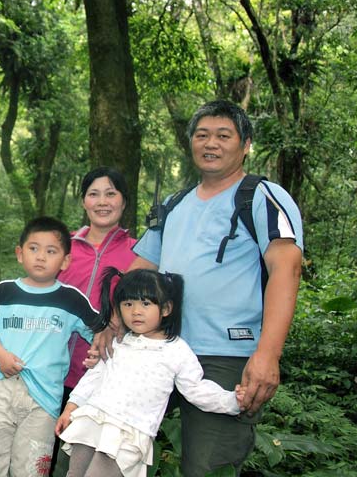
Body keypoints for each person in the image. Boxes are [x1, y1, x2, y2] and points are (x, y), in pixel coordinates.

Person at [100, 100, 303, 476]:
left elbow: (286, 269)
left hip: (225, 356)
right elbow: (141, 269)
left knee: (207, 466)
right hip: (156, 346)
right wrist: (113, 323)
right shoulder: (173, 205)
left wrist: (267, 354)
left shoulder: (260, 196)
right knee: (101, 443)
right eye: (202, 135)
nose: (211, 143)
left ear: (245, 144)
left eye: (224, 135)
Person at [58, 268, 244, 477]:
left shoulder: (177, 351)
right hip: (93, 420)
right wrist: (71, 407)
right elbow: (94, 377)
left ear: (166, 308)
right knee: (74, 473)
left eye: (145, 304)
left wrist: (232, 401)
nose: (136, 311)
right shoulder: (119, 342)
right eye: (128, 304)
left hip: (129, 432)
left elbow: (196, 389)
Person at [0, 216, 102, 477]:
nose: (40, 257)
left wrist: (97, 352)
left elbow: (100, 331)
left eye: (51, 251)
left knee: (32, 469)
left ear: (65, 261)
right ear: (20, 254)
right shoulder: (4, 291)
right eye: (33, 248)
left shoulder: (71, 299)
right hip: (1, 389)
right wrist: (0, 355)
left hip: (45, 400)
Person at [59, 167, 137, 396]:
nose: (102, 202)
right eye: (94, 194)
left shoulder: (140, 254)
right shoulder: (62, 247)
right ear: (84, 201)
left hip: (107, 376)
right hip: (51, 374)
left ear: (124, 202)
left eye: (111, 194)